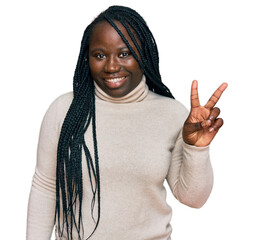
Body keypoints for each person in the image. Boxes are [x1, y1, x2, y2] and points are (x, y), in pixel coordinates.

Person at [26, 5, 228, 240]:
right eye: (100, 55)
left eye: (125, 53)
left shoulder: (172, 114)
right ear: (86, 58)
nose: (112, 66)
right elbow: (46, 189)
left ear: (143, 54)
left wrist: (197, 147)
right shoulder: (64, 111)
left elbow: (194, 199)